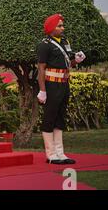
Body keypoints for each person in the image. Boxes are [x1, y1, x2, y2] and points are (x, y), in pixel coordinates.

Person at [37, 13, 86, 165]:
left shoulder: (64, 42)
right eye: (59, 26)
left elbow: (66, 64)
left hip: (64, 84)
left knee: (60, 117)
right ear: (51, 28)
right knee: (49, 117)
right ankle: (51, 154)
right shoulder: (44, 45)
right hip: (51, 85)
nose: (62, 28)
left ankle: (60, 153)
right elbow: (41, 69)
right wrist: (42, 90)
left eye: (62, 25)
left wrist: (76, 61)